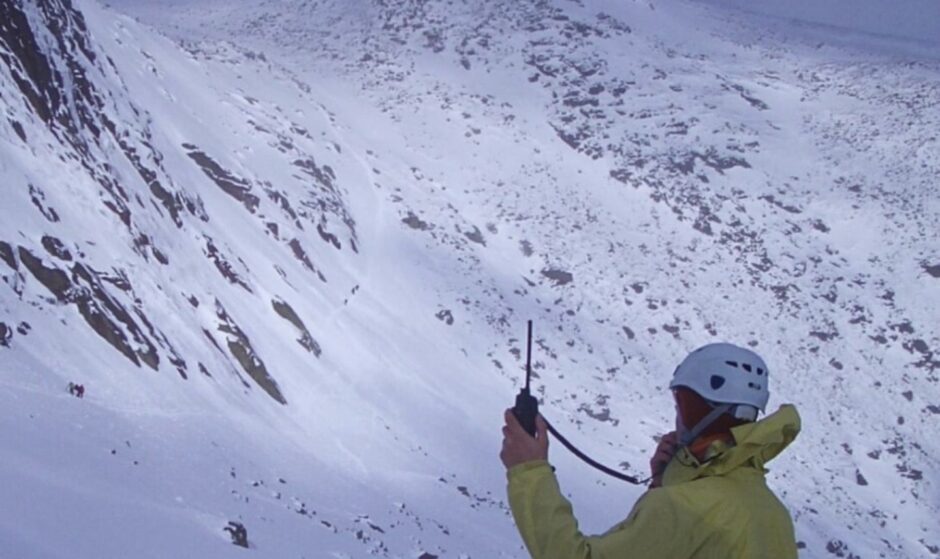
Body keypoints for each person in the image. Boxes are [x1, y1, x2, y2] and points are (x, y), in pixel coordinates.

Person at [500, 342, 801, 558]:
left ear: (696, 410)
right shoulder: (769, 510)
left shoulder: (684, 508)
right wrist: (668, 480)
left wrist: (529, 470)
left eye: (681, 404)